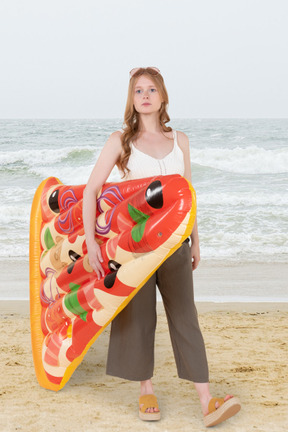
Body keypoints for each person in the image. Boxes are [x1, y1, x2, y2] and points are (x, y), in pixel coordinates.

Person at [82, 67, 241, 427]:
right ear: (132, 99)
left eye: (152, 89)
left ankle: (206, 399)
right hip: (134, 249)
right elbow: (91, 190)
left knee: (186, 317)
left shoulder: (179, 140)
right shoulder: (120, 141)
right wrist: (92, 241)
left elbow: (187, 197)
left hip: (175, 246)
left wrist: (196, 240)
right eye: (138, 90)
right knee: (139, 318)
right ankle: (146, 390)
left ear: (163, 96)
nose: (145, 95)